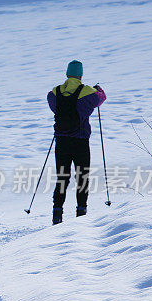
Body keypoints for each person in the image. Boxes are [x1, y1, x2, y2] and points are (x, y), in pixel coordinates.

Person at [47, 60, 106, 225]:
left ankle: (57, 213)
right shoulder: (86, 91)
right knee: (82, 176)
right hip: (80, 141)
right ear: (80, 75)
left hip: (61, 141)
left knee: (62, 177)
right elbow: (101, 98)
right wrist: (98, 90)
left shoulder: (55, 92)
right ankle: (81, 212)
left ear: (67, 74)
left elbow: (54, 106)